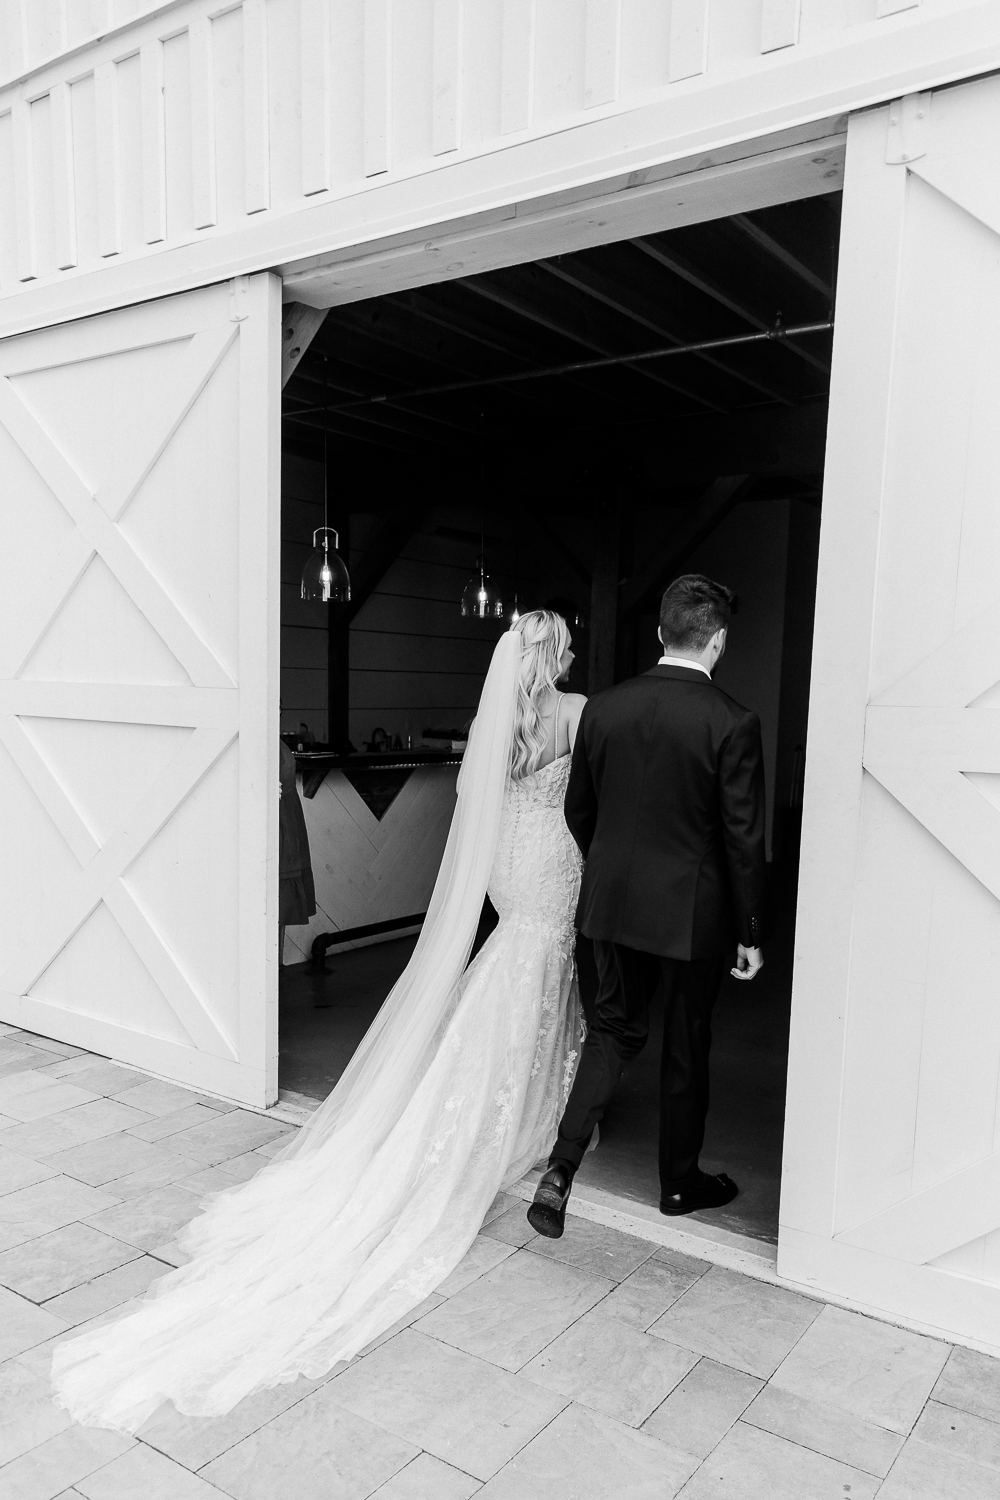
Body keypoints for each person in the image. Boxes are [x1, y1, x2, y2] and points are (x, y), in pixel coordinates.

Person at [52, 611, 587, 1434]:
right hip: (553, 858)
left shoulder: (496, 721)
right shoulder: (578, 711)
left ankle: (500, 1093)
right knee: (543, 962)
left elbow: (481, 802)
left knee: (513, 964)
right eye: (568, 645)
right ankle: (521, 1104)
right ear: (556, 654)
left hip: (511, 865)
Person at [528, 574, 769, 1238]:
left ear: (661, 633)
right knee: (686, 1044)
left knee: (611, 1034)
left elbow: (580, 809)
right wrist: (750, 929)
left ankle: (560, 1171)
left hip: (609, 903)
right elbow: (745, 837)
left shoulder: (603, 708)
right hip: (693, 915)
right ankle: (679, 1186)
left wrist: (609, 868)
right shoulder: (733, 721)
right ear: (716, 640)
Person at [278, 738, 316, 966]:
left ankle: (275, 968)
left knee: (280, 902)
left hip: (286, 819)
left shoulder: (276, 741)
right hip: (276, 821)